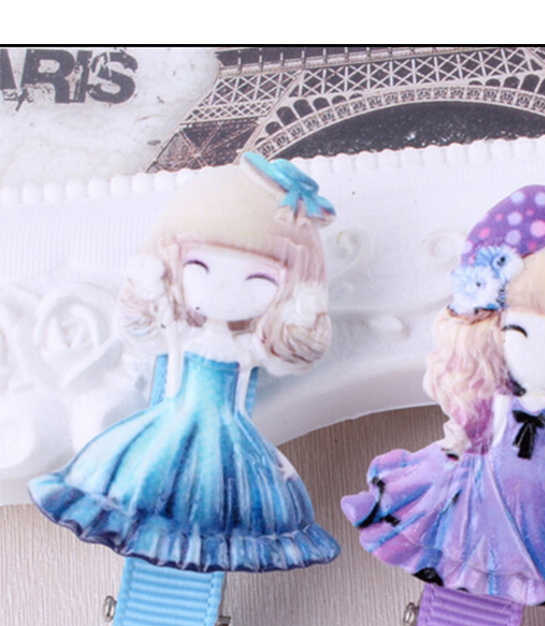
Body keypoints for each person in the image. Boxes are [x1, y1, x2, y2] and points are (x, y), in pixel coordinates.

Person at [342, 184, 545, 606]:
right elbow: (466, 437)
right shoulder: (493, 401)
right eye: (520, 332)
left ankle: (494, 605)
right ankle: (466, 610)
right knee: (461, 540)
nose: (543, 355)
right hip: (478, 486)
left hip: (544, 501)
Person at [29, 153, 341, 573]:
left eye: (259, 280)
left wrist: (301, 318)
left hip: (229, 434)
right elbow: (149, 330)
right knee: (152, 485)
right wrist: (150, 290)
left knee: (220, 503)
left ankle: (196, 559)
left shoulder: (249, 346)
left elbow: (281, 352)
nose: (226, 290)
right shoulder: (182, 331)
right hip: (172, 421)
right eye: (200, 267)